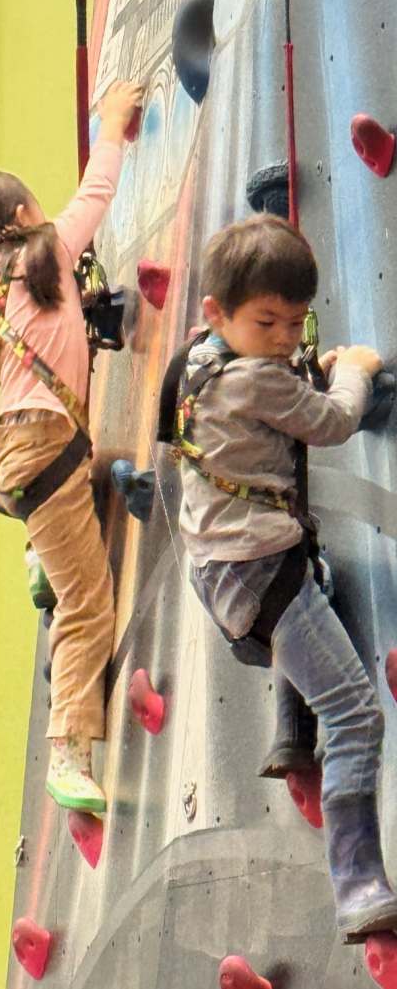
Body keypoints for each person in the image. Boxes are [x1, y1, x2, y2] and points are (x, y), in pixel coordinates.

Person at [170, 213, 397, 942]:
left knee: (319, 591)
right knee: (358, 714)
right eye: (266, 321)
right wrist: (354, 372)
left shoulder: (197, 363)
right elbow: (330, 423)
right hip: (261, 569)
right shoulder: (260, 381)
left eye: (295, 324)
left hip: (226, 567)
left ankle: (289, 734)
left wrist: (304, 362)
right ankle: (360, 886)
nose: (283, 339)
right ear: (218, 311)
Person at [0, 79, 143, 814]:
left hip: (17, 454)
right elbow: (94, 197)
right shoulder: (44, 254)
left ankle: (38, 561)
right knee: (88, 601)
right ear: (23, 217)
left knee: (65, 516)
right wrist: (113, 127)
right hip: (45, 452)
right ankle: (68, 751)